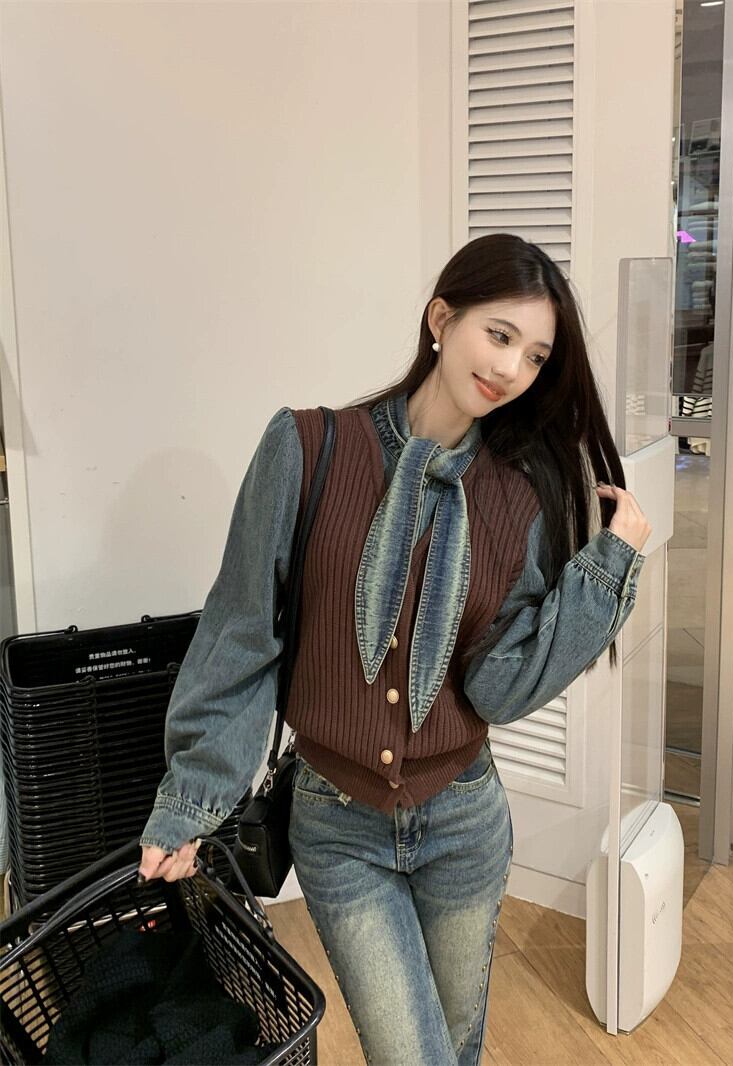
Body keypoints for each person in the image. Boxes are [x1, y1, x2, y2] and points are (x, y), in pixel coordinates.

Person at [138, 232, 652, 1066]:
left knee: (456, 1048)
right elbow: (241, 634)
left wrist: (606, 571)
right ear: (441, 319)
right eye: (499, 334)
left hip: (465, 818)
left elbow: (500, 686)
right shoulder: (308, 448)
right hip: (337, 825)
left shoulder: (517, 496)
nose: (512, 368)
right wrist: (192, 802)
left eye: (535, 355)